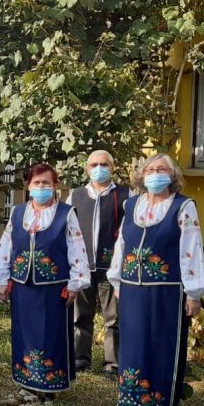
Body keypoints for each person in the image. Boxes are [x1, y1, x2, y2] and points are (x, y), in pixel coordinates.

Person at [108, 154, 204, 406]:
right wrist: (117, 280)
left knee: (165, 348)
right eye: (150, 169)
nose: (155, 174)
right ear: (141, 175)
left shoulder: (183, 206)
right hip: (132, 289)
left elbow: (191, 249)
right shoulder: (131, 204)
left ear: (172, 175)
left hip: (167, 292)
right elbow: (122, 244)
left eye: (161, 169)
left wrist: (193, 292)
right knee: (135, 346)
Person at [0, 164, 90, 401]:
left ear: (55, 186)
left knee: (50, 333)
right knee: (24, 332)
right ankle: (26, 380)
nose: (41, 187)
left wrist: (76, 283)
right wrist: (2, 279)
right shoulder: (18, 212)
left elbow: (77, 248)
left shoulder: (66, 213)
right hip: (22, 285)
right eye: (37, 183)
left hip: (54, 287)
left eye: (46, 183)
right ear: (29, 186)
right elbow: (7, 246)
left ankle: (48, 385)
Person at [66, 150, 129, 379]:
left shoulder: (124, 195)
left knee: (113, 317)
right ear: (87, 168)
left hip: (110, 266)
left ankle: (112, 364)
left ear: (112, 168)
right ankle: (80, 357)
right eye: (94, 164)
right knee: (80, 315)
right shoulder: (75, 195)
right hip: (82, 266)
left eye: (104, 164)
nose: (99, 168)